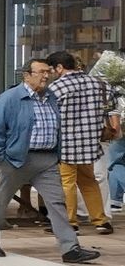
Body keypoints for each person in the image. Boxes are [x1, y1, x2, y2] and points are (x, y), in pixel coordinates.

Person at [0, 58, 101, 263]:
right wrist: (1, 157)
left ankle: (70, 248)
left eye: (48, 71)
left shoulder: (51, 96)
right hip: (16, 159)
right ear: (27, 75)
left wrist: (57, 155)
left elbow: (57, 127)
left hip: (46, 160)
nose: (46, 76)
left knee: (57, 203)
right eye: (41, 72)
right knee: (1, 200)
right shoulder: (10, 98)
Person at [47, 51, 114, 235]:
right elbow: (112, 103)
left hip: (67, 144)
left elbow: (50, 115)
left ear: (60, 67)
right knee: (89, 182)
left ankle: (70, 222)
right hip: (91, 143)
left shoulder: (57, 87)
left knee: (66, 183)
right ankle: (101, 221)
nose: (51, 73)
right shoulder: (99, 83)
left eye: (52, 69)